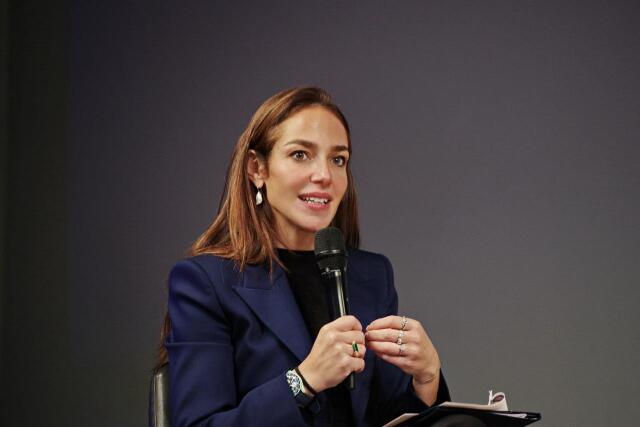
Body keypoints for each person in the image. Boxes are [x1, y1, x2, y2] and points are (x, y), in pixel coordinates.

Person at [157, 87, 450, 427]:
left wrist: (427, 378)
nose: (324, 175)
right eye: (300, 155)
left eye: (338, 159)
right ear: (257, 168)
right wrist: (303, 381)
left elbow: (389, 416)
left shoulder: (372, 275)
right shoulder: (205, 282)